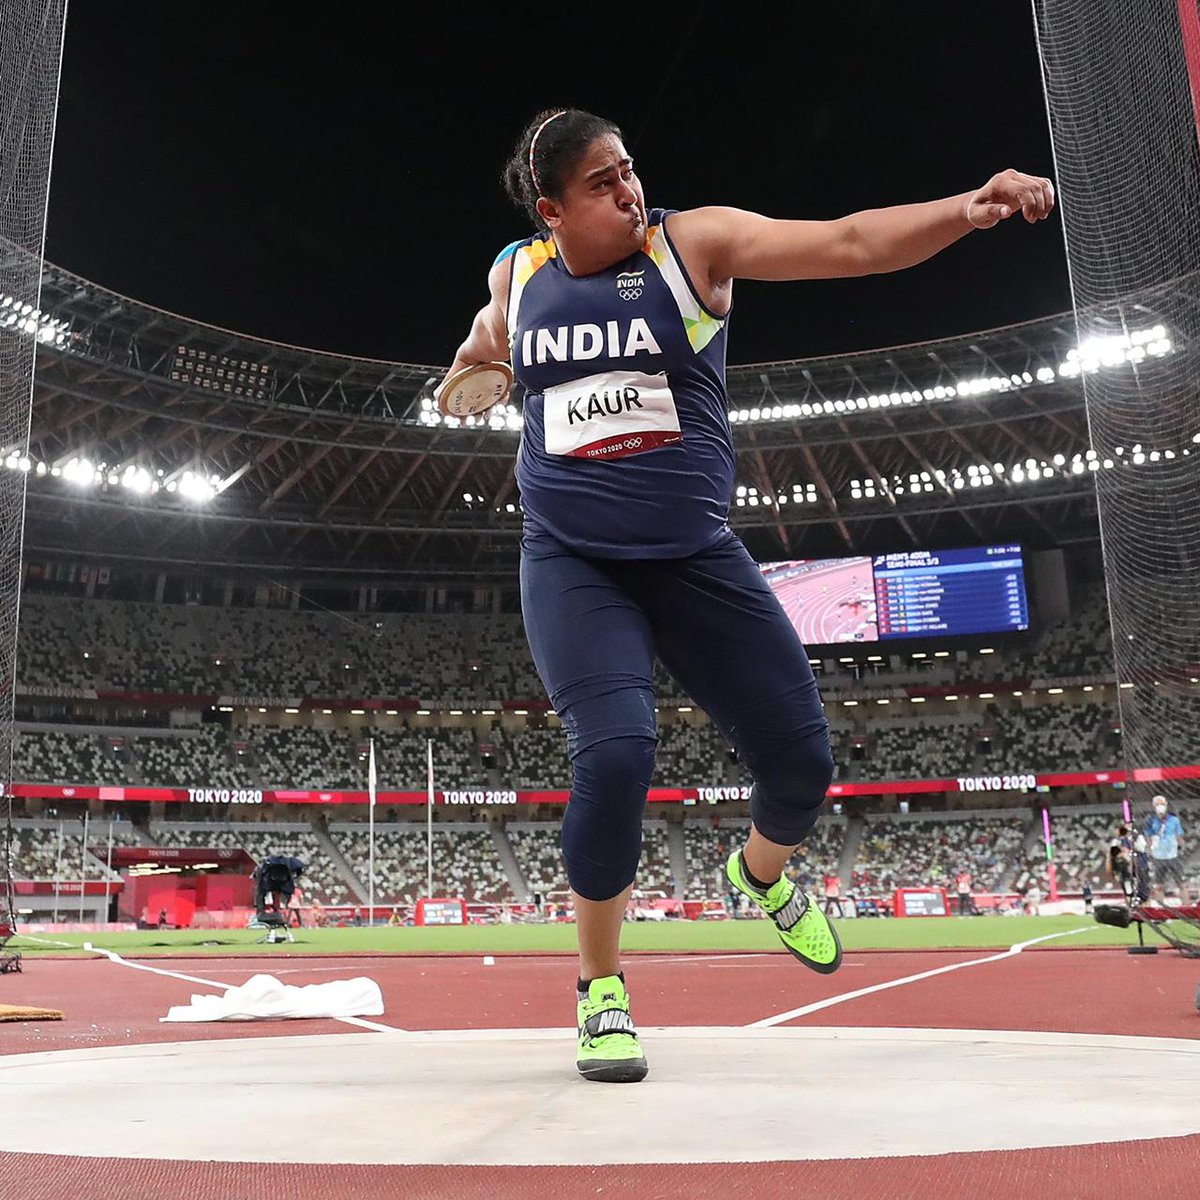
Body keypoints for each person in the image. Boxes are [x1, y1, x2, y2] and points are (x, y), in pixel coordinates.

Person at [439, 106, 1054, 1084]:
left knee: (803, 765)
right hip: (572, 560)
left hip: (692, 556)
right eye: (602, 183)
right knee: (616, 753)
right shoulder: (517, 273)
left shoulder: (692, 245)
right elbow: (485, 341)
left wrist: (966, 208)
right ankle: (601, 989)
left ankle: (758, 874)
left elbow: (850, 243)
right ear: (552, 211)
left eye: (629, 170)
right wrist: (470, 373)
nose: (629, 191)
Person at [1144, 795, 1186, 902]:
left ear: (1166, 805)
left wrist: (1182, 849)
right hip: (1158, 857)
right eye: (1157, 804)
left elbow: (1180, 837)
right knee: (1159, 886)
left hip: (1174, 856)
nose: (1160, 806)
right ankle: (1160, 908)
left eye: (1162, 804)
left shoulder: (1174, 820)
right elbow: (1148, 838)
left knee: (1181, 884)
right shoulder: (1150, 821)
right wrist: (1150, 850)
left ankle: (1187, 906)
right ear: (1154, 806)